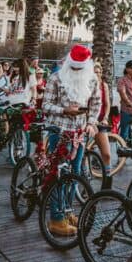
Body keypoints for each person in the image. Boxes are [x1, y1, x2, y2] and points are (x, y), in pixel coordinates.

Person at [39, 45, 100, 236]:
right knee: (58, 176)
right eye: (74, 68)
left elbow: (96, 103)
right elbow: (46, 105)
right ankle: (56, 219)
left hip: (80, 133)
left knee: (75, 174)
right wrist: (65, 110)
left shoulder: (92, 78)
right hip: (59, 131)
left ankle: (68, 211)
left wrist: (91, 122)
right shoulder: (56, 77)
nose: (76, 71)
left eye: (79, 68)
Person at [92, 63, 113, 168]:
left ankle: (108, 176)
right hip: (90, 121)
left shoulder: (104, 85)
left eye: (100, 72)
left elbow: (107, 104)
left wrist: (105, 118)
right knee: (88, 149)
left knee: (107, 154)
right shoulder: (87, 85)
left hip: (100, 119)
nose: (98, 74)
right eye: (96, 72)